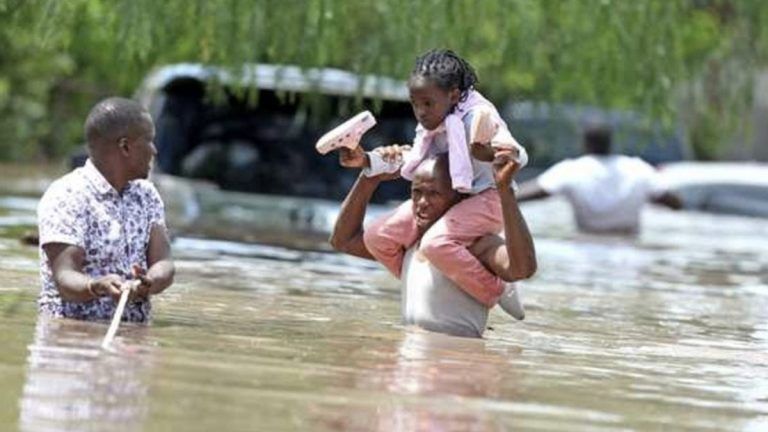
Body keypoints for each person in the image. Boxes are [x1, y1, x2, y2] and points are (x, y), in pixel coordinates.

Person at [348, 49, 529, 318]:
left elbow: (519, 155)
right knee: (377, 236)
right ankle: (435, 277)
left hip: (487, 199)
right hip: (450, 199)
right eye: (414, 103)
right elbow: (418, 159)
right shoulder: (431, 124)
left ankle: (494, 290)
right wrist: (365, 160)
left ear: (454, 96)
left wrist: (489, 152)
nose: (420, 112)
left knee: (435, 243)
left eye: (427, 104)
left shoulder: (478, 117)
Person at [330, 146, 536, 338]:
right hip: (412, 363)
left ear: (459, 198)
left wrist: (505, 192)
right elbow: (344, 241)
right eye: (417, 192)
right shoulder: (408, 245)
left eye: (434, 194)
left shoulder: (476, 246)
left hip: (457, 364)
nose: (421, 203)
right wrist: (369, 177)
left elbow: (522, 269)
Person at [37, 97, 175, 323]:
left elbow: (165, 262)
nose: (155, 150)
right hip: (70, 336)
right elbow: (64, 277)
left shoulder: (147, 195)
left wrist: (149, 281)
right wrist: (96, 286)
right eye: (149, 141)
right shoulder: (66, 195)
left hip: (133, 335)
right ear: (125, 147)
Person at [516, 123, 682, 234]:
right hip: (630, 252)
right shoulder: (637, 168)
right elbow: (675, 202)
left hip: (586, 248)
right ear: (610, 143)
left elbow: (530, 193)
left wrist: (500, 193)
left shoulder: (572, 170)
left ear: (585, 143)